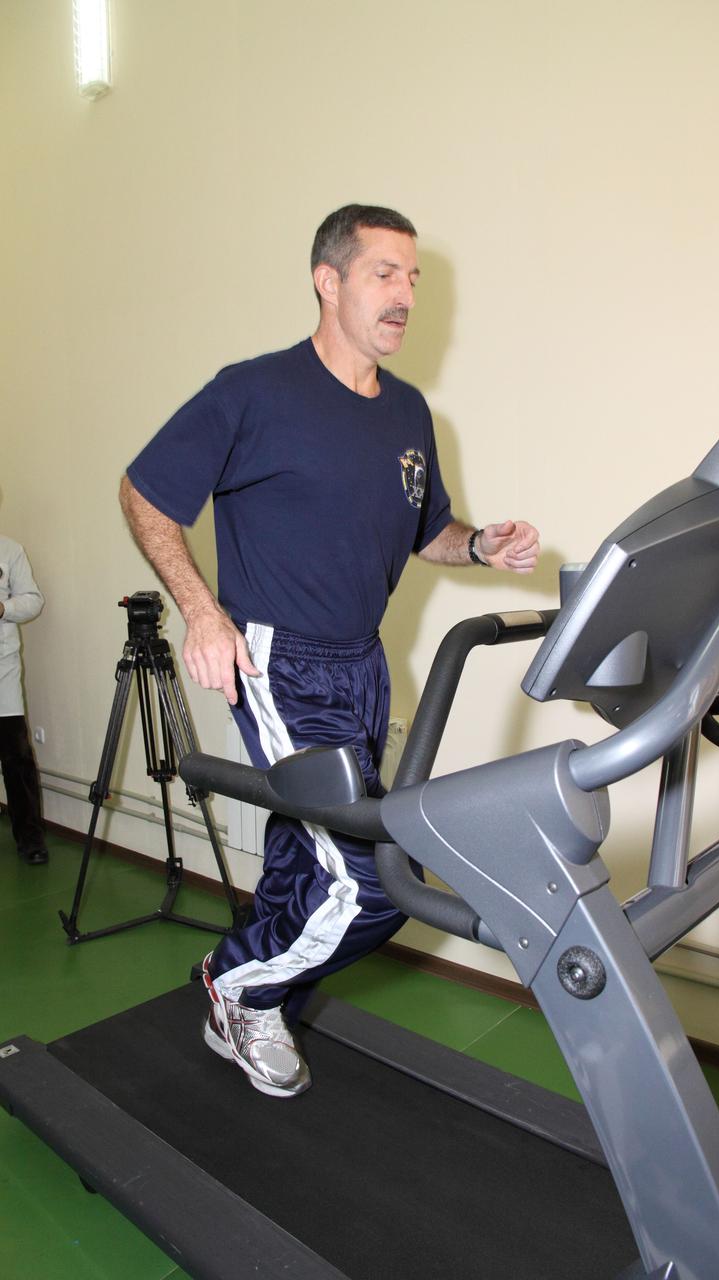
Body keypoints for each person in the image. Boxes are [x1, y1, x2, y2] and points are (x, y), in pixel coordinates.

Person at [119, 204, 540, 1098]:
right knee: (377, 882)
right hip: (278, 660)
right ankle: (240, 988)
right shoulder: (254, 391)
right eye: (385, 273)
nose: (405, 295)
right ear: (329, 280)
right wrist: (202, 612)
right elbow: (144, 493)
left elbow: (428, 531)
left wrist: (478, 545)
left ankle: (246, 975)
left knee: (302, 850)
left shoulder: (409, 412)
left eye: (412, 278)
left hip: (362, 663)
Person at [0, 533, 48, 866]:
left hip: (2, 671)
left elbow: (33, 600)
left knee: (17, 757)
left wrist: (4, 608)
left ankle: (30, 838)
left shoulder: (10, 550)